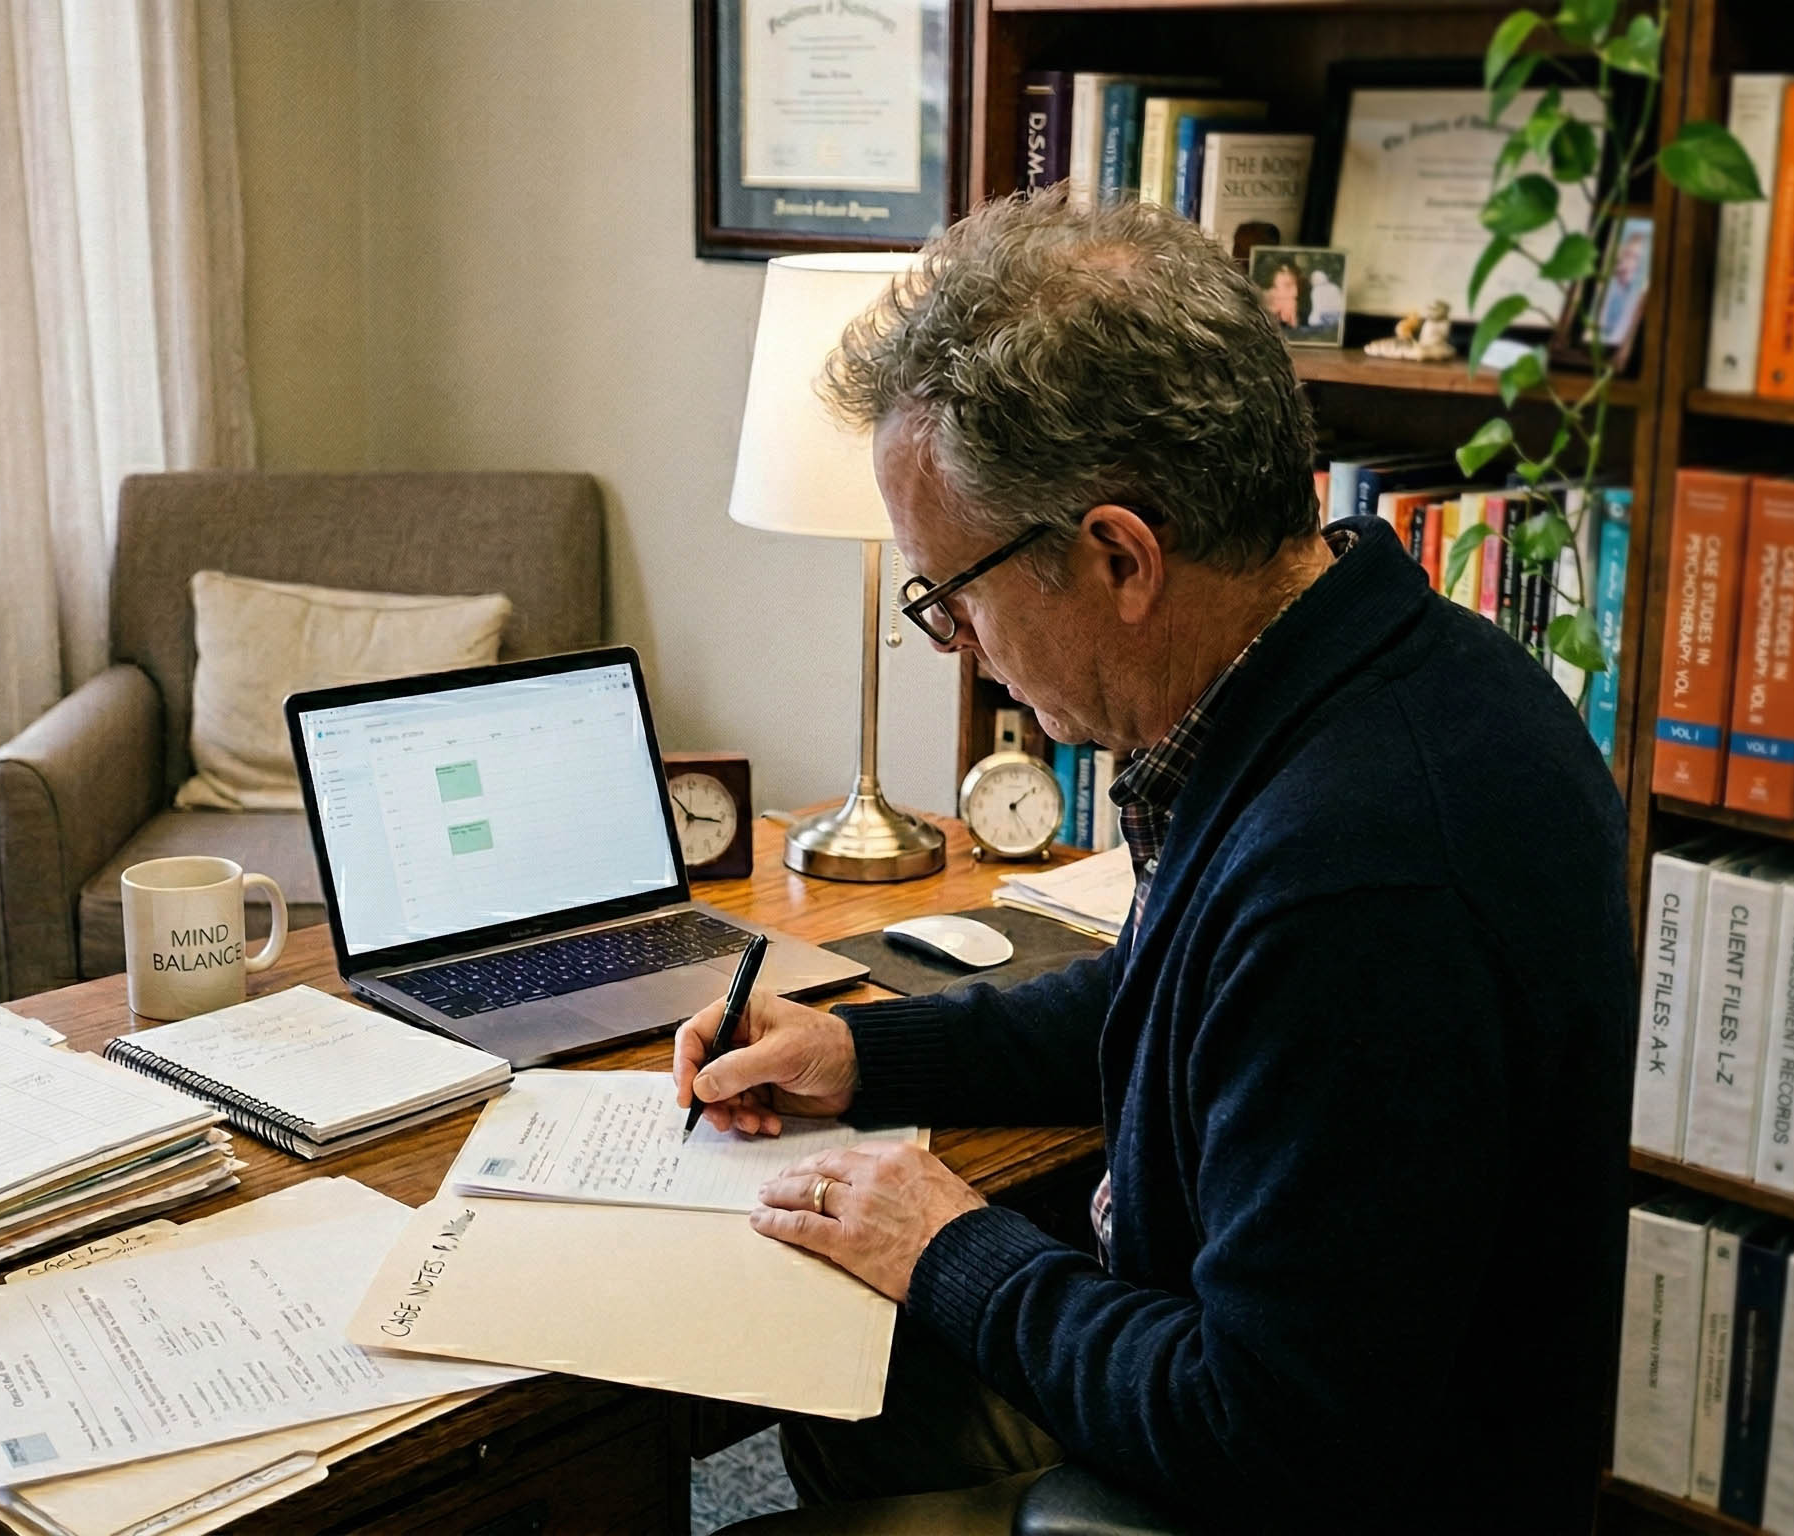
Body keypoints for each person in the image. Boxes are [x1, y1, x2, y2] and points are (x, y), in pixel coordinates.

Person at [677, 191, 1633, 1532]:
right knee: (855, 1391)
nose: (957, 638)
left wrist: (951, 1244)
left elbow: (1261, 1431)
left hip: (1299, 1493)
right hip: (1276, 1377)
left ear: (1119, 555)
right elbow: (1182, 1005)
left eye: (953, 596)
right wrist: (870, 1059)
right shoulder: (1381, 671)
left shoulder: (1358, 879)